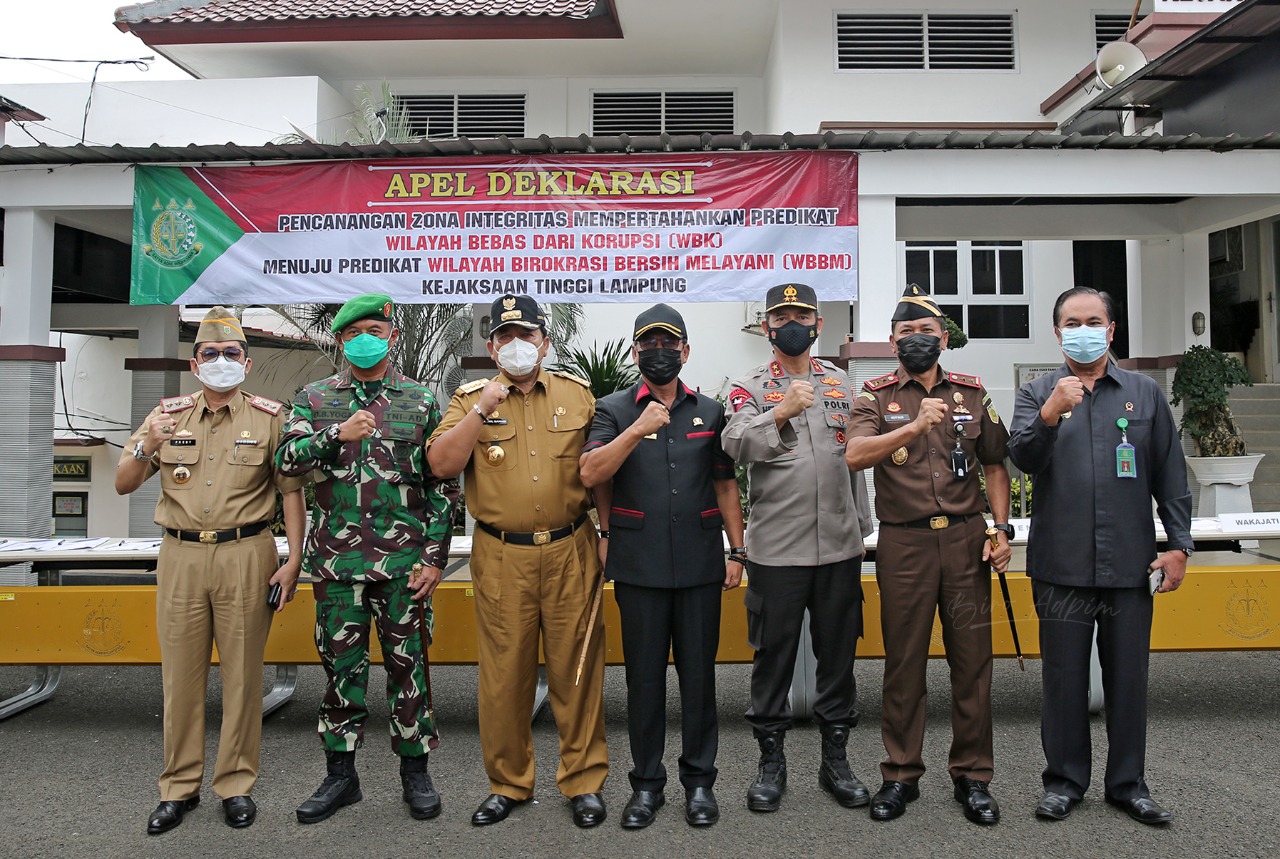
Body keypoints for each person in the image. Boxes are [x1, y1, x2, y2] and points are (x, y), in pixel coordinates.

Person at [116, 307, 307, 834]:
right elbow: (123, 482)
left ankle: (236, 784)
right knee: (180, 678)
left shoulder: (272, 418)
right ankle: (178, 788)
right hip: (180, 556)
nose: (221, 361)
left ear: (246, 362)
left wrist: (293, 560)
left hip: (248, 554)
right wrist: (146, 442)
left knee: (244, 677)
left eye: (231, 354)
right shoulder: (166, 415)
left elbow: (292, 495)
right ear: (194, 363)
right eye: (210, 354)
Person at [1008, 286, 1192, 826]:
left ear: (1111, 331)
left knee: (1128, 679)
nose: (1082, 329)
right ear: (1057, 331)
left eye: (1093, 321)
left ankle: (1128, 784)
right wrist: (1049, 413)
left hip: (1130, 564)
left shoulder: (1143, 392)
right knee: (1063, 679)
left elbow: (1169, 473)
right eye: (1071, 321)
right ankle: (1064, 782)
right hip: (1060, 566)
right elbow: (1021, 460)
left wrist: (1178, 545)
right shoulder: (1036, 391)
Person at [425, 294, 608, 829]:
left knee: (578, 669)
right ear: (491, 347)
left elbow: (599, 470)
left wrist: (609, 530)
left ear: (545, 342)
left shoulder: (577, 396)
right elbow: (441, 464)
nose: (517, 346)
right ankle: (509, 783)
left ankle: (583, 782)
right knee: (505, 675)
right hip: (502, 552)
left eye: (526, 336)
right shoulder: (467, 401)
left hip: (571, 546)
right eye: (505, 338)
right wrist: (483, 407)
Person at [275, 293, 458, 824]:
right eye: (353, 334)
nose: (363, 340)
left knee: (411, 670)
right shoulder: (314, 398)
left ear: (393, 336)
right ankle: (340, 776)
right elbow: (286, 459)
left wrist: (433, 558)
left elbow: (442, 486)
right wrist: (335, 435)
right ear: (339, 340)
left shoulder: (419, 401)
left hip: (404, 567)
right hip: (336, 567)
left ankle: (415, 771)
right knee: (340, 672)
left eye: (374, 330)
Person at [845, 284, 1012, 826]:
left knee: (973, 663)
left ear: (944, 338)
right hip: (905, 545)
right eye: (906, 332)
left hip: (965, 542)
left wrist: (1001, 528)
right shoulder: (873, 396)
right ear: (892, 340)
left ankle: (973, 775)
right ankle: (899, 775)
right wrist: (916, 426)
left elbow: (994, 463)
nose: (916, 339)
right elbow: (854, 456)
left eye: (926, 331)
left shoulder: (971, 392)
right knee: (904, 662)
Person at [579, 303, 745, 829]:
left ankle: (699, 784)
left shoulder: (711, 411)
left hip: (699, 562)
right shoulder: (612, 408)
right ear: (635, 352)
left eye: (669, 344)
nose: (659, 353)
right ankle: (646, 787)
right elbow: (592, 473)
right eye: (649, 345)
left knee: (699, 681)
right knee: (643, 681)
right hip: (639, 563)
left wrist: (737, 551)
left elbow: (724, 484)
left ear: (686, 351)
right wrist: (637, 429)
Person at [722, 282, 874, 814]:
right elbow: (736, 446)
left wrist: (862, 528)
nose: (791, 322)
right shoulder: (746, 387)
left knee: (839, 658)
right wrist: (781, 410)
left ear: (818, 325)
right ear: (766, 326)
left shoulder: (842, 384)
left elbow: (857, 455)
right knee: (773, 659)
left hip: (838, 547)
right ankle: (771, 764)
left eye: (801, 314)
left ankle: (837, 762)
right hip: (776, 552)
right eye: (780, 315)